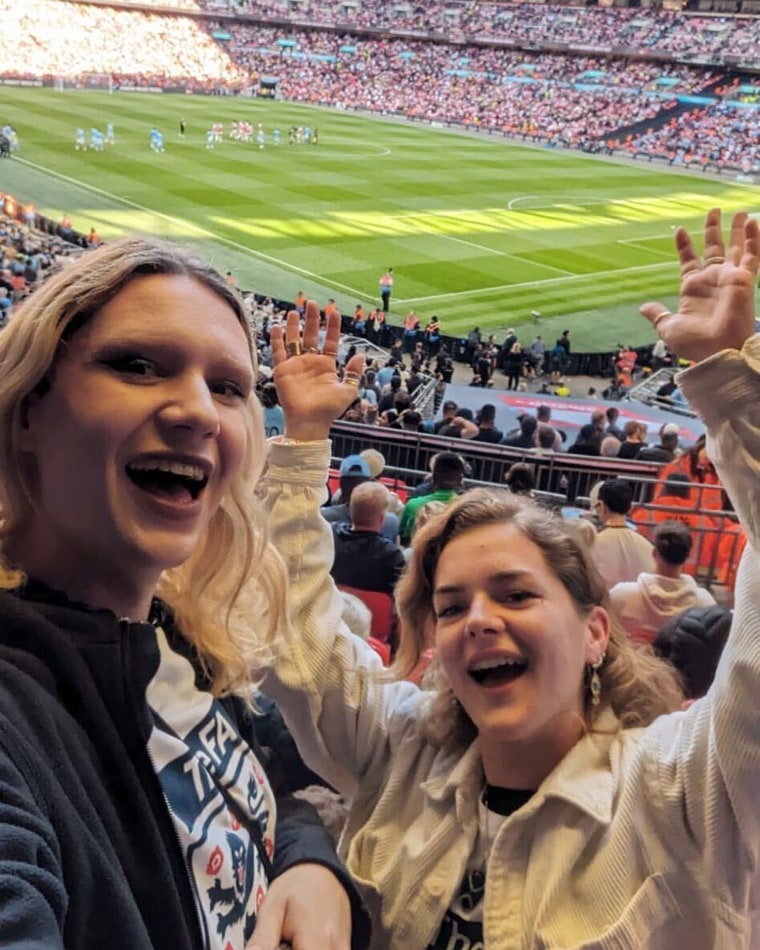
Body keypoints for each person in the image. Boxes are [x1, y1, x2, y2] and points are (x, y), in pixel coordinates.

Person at [261, 207, 760, 947]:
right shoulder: (400, 749)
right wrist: (301, 442)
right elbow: (299, 642)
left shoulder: (683, 790)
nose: (478, 619)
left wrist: (731, 389)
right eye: (451, 606)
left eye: (516, 593)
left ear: (597, 630)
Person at [0, 239, 370, 949]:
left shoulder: (180, 639)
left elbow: (254, 791)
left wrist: (309, 861)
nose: (199, 411)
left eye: (229, 387)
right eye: (138, 365)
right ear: (27, 411)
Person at [609, 520, 716, 644]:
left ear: (654, 553)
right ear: (687, 556)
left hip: (630, 662)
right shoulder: (705, 604)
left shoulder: (621, 596)